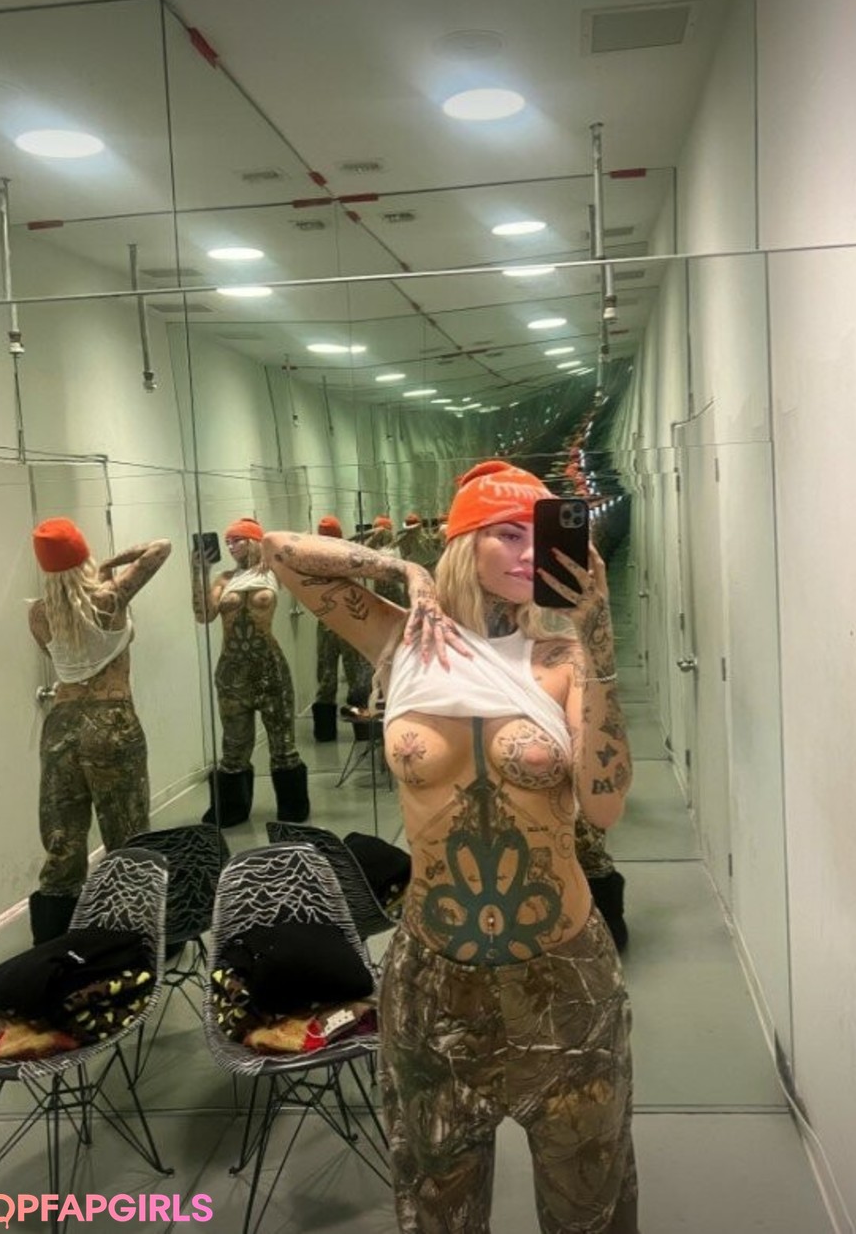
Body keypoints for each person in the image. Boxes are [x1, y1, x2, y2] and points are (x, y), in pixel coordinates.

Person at [264, 460, 639, 1233]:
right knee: (437, 1208)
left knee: (589, 1208)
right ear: (465, 543)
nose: (529, 550)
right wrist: (404, 569)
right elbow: (280, 550)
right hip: (434, 983)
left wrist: (596, 633)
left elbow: (603, 807)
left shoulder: (561, 660)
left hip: (561, 977)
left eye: (540, 532)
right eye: (507, 533)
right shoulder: (401, 640)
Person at [27, 518, 171, 944]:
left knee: (63, 839)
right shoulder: (110, 597)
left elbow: (63, 659)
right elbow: (160, 546)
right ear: (83, 558)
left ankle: (55, 945)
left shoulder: (38, 613)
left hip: (61, 724)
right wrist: (108, 563)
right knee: (127, 833)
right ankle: (133, 939)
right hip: (111, 721)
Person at [192, 516, 308, 827]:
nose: (230, 547)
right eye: (227, 542)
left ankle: (293, 808)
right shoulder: (224, 578)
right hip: (232, 671)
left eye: (237, 540)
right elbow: (204, 615)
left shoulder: (274, 571)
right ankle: (232, 809)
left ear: (254, 541)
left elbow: (303, 550)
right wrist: (199, 572)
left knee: (283, 745)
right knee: (234, 746)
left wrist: (273, 548)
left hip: (269, 667)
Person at [311, 515, 372, 742]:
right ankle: (331, 732)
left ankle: (359, 730)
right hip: (330, 621)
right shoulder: (314, 558)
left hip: (347, 620)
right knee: (329, 678)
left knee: (354, 679)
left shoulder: (347, 555)